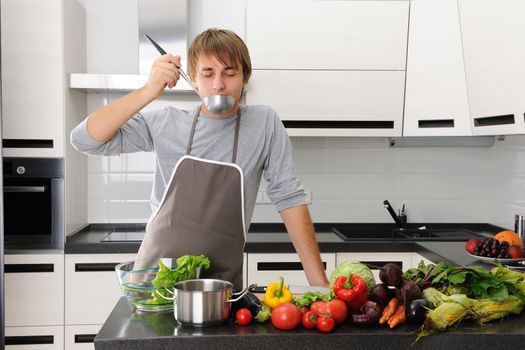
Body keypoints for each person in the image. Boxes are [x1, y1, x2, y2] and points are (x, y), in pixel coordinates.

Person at [70, 28, 329, 289]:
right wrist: (149, 90)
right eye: (208, 73)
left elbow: (290, 198)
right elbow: (84, 140)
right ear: (192, 78)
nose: (218, 84)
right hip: (157, 283)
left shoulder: (264, 124)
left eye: (229, 73)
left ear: (245, 78)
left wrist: (319, 283)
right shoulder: (167, 123)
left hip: (220, 288)